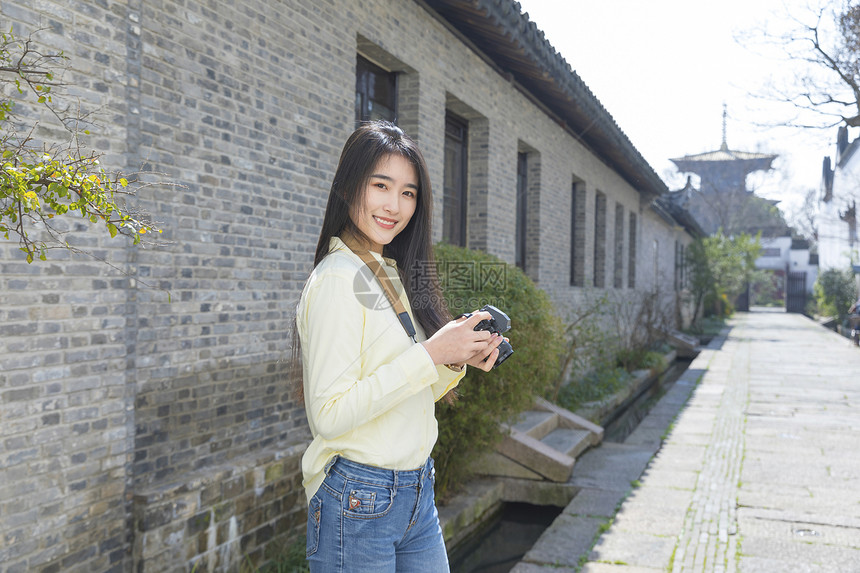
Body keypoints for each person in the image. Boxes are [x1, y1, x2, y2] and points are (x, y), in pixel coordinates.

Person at [293, 120, 505, 572]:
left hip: (414, 493)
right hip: (358, 497)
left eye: (408, 193)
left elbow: (406, 388)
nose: (395, 205)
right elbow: (329, 415)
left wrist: (455, 358)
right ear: (350, 187)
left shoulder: (382, 270)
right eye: (381, 186)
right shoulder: (336, 279)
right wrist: (430, 354)